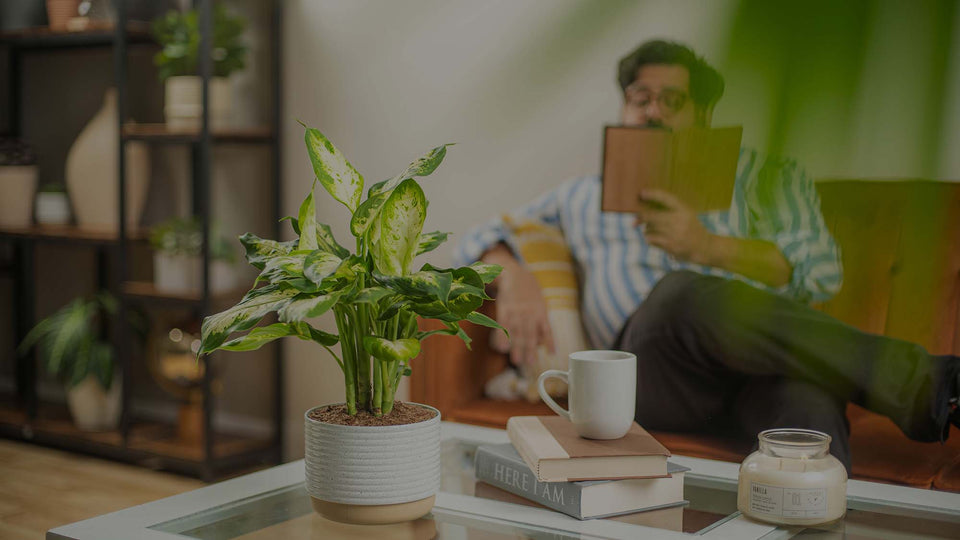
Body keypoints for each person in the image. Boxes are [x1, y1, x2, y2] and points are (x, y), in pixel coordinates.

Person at [453, 39, 959, 472]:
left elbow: (823, 273)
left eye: (672, 100)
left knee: (809, 422)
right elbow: (480, 234)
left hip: (766, 372)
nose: (652, 111)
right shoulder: (582, 195)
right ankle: (927, 385)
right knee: (678, 295)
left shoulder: (768, 177)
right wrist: (513, 272)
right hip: (653, 377)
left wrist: (707, 247)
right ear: (624, 110)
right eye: (640, 98)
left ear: (703, 115)